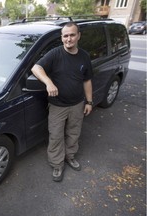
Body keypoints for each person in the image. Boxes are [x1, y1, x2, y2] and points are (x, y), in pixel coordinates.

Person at [31, 22, 93, 182]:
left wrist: (89, 102)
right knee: (56, 136)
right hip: (58, 105)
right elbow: (36, 68)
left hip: (77, 104)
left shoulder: (84, 56)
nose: (69, 38)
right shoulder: (55, 54)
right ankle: (57, 164)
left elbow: (87, 81)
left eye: (72, 35)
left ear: (78, 35)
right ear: (62, 38)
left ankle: (70, 156)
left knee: (74, 132)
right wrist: (48, 82)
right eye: (65, 35)